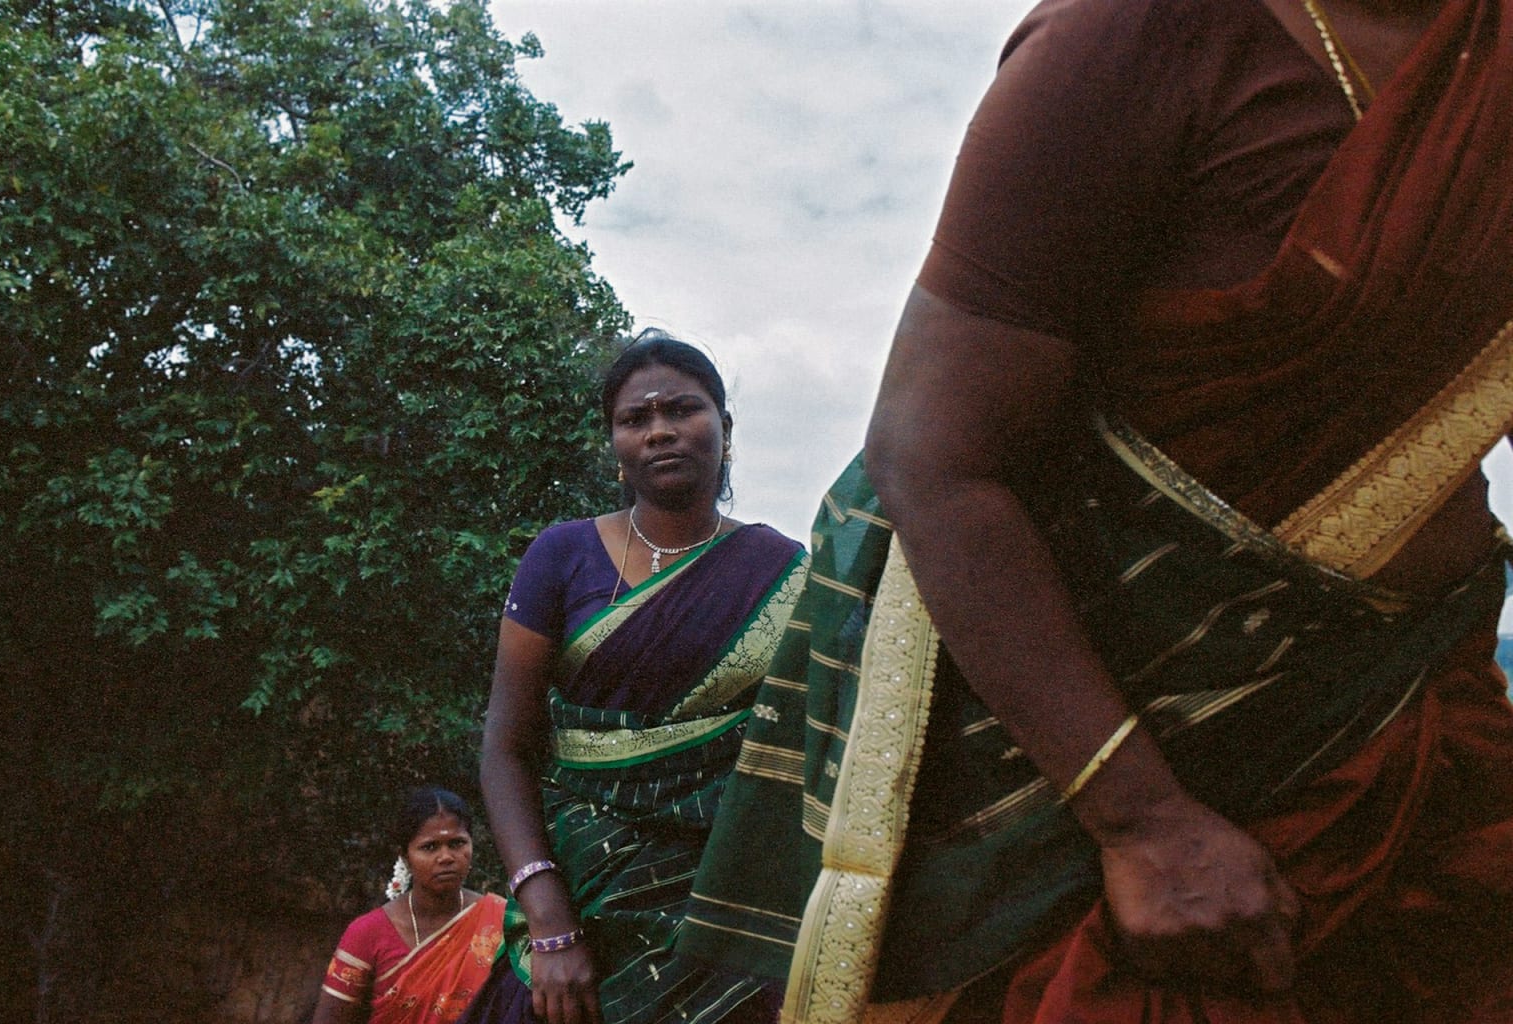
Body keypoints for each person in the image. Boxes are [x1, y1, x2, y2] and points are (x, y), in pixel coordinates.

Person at [677, 1, 1513, 1022]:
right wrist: (1143, 820)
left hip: (1421, 731)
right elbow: (934, 452)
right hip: (1134, 795)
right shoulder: (1140, 33)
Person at [458, 329, 808, 1024]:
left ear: (724, 428)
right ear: (614, 445)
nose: (660, 431)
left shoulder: (783, 571)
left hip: (731, 913)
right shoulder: (562, 557)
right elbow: (505, 746)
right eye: (635, 419)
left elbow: (808, 744)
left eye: (682, 410)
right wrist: (549, 914)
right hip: (583, 906)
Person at [314, 787, 506, 1024]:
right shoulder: (367, 933)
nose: (446, 857)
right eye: (430, 847)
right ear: (404, 855)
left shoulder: (501, 920)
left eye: (456, 843)